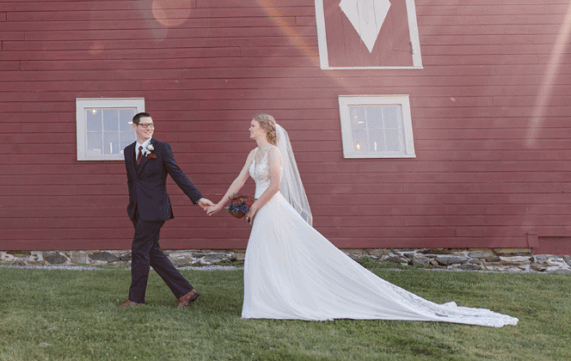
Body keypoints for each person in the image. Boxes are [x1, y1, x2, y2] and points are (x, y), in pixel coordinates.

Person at [206, 114, 517, 326]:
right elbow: (238, 182)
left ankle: (278, 302)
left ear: (265, 129)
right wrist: (220, 205)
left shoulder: (274, 153)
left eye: (252, 126)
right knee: (263, 256)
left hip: (272, 208)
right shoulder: (253, 154)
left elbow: (275, 186)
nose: (249, 129)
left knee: (273, 254)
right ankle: (267, 302)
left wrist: (254, 208)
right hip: (262, 210)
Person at [119, 112, 214, 308]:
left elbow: (177, 173)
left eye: (151, 125)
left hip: (156, 209)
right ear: (135, 127)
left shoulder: (161, 148)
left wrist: (197, 197)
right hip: (137, 210)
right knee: (152, 251)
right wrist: (132, 206)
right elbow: (132, 181)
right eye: (145, 125)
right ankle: (186, 293)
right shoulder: (128, 151)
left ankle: (135, 299)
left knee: (139, 250)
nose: (149, 128)